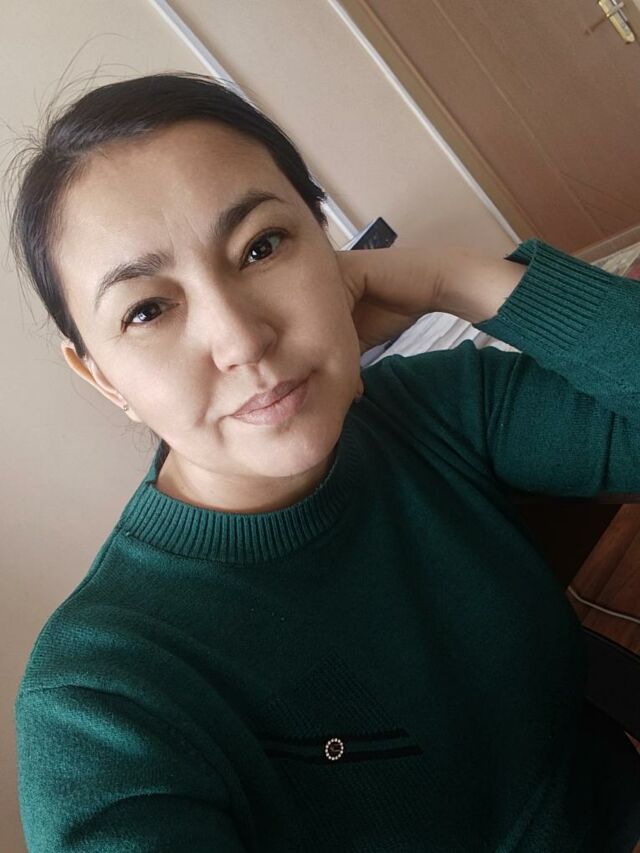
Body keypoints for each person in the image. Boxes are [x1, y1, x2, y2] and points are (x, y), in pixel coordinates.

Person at [10, 72, 640, 852]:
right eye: (147, 309)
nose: (242, 339)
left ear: (325, 240)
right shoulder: (102, 700)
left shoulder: (434, 408)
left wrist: (454, 279)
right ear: (104, 378)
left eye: (262, 246)